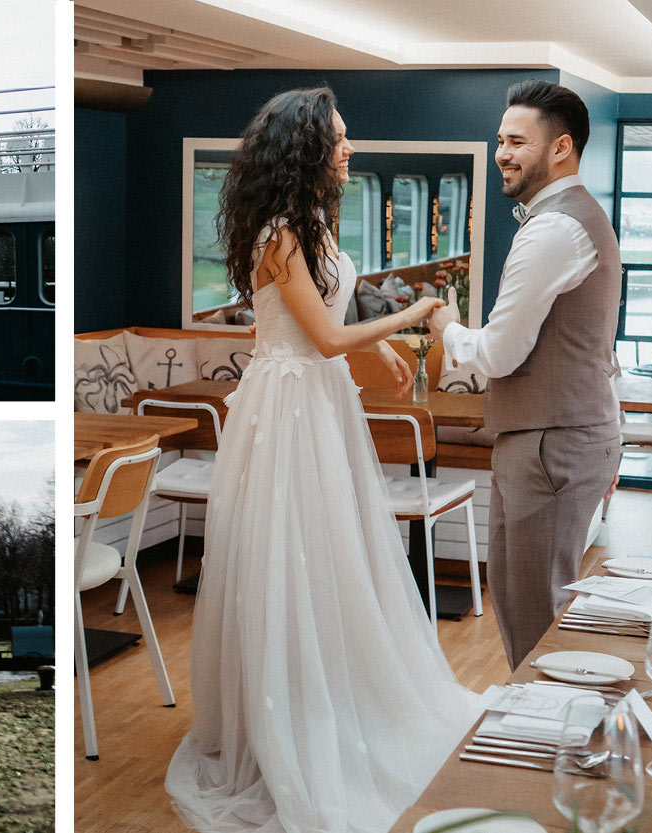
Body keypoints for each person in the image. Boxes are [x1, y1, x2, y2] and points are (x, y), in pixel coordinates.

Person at [165, 87, 483, 833]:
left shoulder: (308, 226)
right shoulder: (280, 233)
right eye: (338, 140)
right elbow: (329, 338)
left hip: (310, 398)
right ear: (306, 149)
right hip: (287, 409)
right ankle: (289, 719)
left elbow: (313, 337)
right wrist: (418, 316)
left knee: (328, 555)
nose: (348, 149)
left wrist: (381, 366)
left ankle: (327, 699)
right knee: (288, 558)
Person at [428, 80, 622, 671]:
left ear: (560, 147)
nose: (502, 153)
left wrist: (448, 327)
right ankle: (541, 737)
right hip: (552, 436)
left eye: (517, 141)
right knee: (519, 600)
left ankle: (550, 747)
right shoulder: (571, 219)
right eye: (499, 140)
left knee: (537, 611)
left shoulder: (554, 228)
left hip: (551, 441)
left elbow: (501, 353)